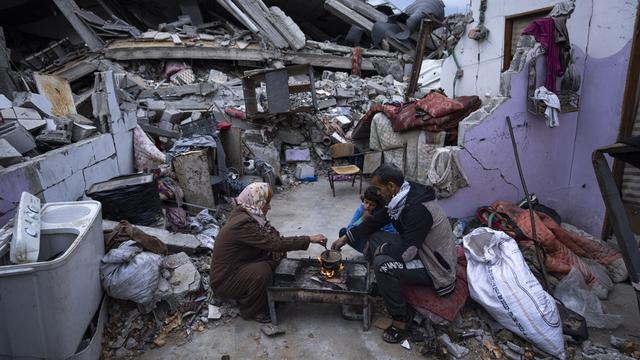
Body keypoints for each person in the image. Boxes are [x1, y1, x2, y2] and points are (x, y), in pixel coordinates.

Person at [332, 164, 456, 343]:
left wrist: (382, 251)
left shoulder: (418, 208)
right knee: (374, 236)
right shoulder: (401, 197)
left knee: (382, 264)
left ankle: (400, 319)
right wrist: (346, 237)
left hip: (434, 266)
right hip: (418, 249)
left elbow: (408, 252)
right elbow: (376, 221)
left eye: (378, 188)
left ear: (390, 186)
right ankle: (383, 285)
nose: (376, 193)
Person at [210, 182, 327, 322]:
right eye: (267, 203)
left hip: (239, 265)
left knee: (278, 254)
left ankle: (265, 293)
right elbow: (275, 243)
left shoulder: (248, 213)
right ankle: (252, 311)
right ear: (257, 202)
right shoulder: (242, 224)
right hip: (225, 279)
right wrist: (309, 239)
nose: (269, 207)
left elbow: (273, 237)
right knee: (262, 271)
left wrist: (279, 248)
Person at [338, 186, 397, 254]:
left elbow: (391, 234)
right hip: (366, 242)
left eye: (372, 204)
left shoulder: (382, 213)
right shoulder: (362, 208)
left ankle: (374, 253)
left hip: (379, 243)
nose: (367, 206)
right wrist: (362, 219)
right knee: (343, 232)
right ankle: (368, 252)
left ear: (377, 205)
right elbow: (349, 229)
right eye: (366, 202)